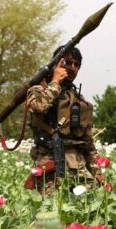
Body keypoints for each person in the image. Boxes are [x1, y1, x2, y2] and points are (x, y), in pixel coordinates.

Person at [25, 46, 102, 194]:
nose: (72, 68)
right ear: (57, 64)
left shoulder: (78, 99)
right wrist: (55, 82)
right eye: (68, 62)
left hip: (77, 165)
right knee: (53, 212)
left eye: (76, 65)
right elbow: (39, 106)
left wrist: (98, 174)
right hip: (50, 164)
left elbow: (88, 142)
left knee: (90, 206)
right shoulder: (38, 90)